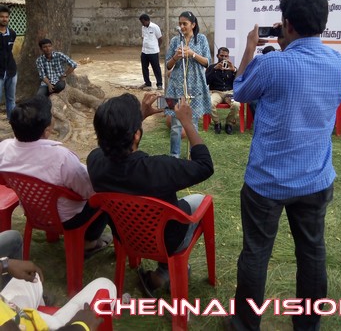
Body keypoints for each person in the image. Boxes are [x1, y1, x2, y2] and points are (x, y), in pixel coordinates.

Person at [230, 0, 341, 331]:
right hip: (315, 178)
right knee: (312, 254)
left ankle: (245, 325)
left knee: (255, 254)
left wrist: (251, 49)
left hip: (267, 182)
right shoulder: (338, 63)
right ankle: (307, 326)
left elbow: (239, 90)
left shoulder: (272, 64)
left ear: (287, 25)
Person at [87, 93, 214, 296]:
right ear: (136, 135)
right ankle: (165, 271)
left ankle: (162, 273)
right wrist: (188, 123)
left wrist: (139, 120)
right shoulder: (159, 168)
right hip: (167, 240)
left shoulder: (94, 162)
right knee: (199, 200)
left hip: (125, 234)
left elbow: (108, 148)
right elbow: (205, 166)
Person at [0, 96, 111, 257]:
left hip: (33, 211)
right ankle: (89, 243)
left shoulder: (4, 148)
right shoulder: (61, 158)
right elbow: (88, 192)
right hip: (68, 219)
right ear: (47, 130)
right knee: (106, 193)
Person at [0, 230, 116, 330]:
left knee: (32, 277)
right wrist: (80, 326)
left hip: (11, 310)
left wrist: (5, 264)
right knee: (106, 285)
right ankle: (52, 320)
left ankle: (42, 309)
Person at [165, 11, 211, 157]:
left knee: (193, 123)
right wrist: (176, 57)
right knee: (175, 124)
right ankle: (174, 156)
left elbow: (207, 62)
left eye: (185, 24)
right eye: (180, 24)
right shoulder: (174, 41)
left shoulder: (201, 39)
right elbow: (168, 65)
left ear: (193, 25)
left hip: (195, 86)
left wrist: (192, 53)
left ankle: (193, 155)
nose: (182, 26)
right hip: (175, 87)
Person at [205, 47, 240, 134]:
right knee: (209, 103)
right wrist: (214, 69)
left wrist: (234, 70)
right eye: (222, 55)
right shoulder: (212, 67)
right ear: (217, 56)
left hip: (229, 93)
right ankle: (217, 123)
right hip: (216, 92)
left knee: (236, 104)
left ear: (228, 57)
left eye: (226, 56)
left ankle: (229, 123)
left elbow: (239, 81)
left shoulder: (232, 67)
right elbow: (206, 81)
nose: (224, 58)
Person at [0, 5, 17, 120]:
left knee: (11, 98)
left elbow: (9, 51)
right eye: (1, 16)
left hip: (11, 71)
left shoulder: (12, 33)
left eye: (6, 17)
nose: (4, 19)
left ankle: (13, 121)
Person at [139, 13, 163, 90]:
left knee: (156, 68)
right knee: (144, 67)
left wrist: (156, 47)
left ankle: (159, 84)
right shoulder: (143, 28)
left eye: (143, 22)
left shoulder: (155, 27)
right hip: (144, 51)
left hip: (153, 52)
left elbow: (160, 39)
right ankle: (147, 83)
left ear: (147, 20)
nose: (142, 23)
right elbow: (143, 37)